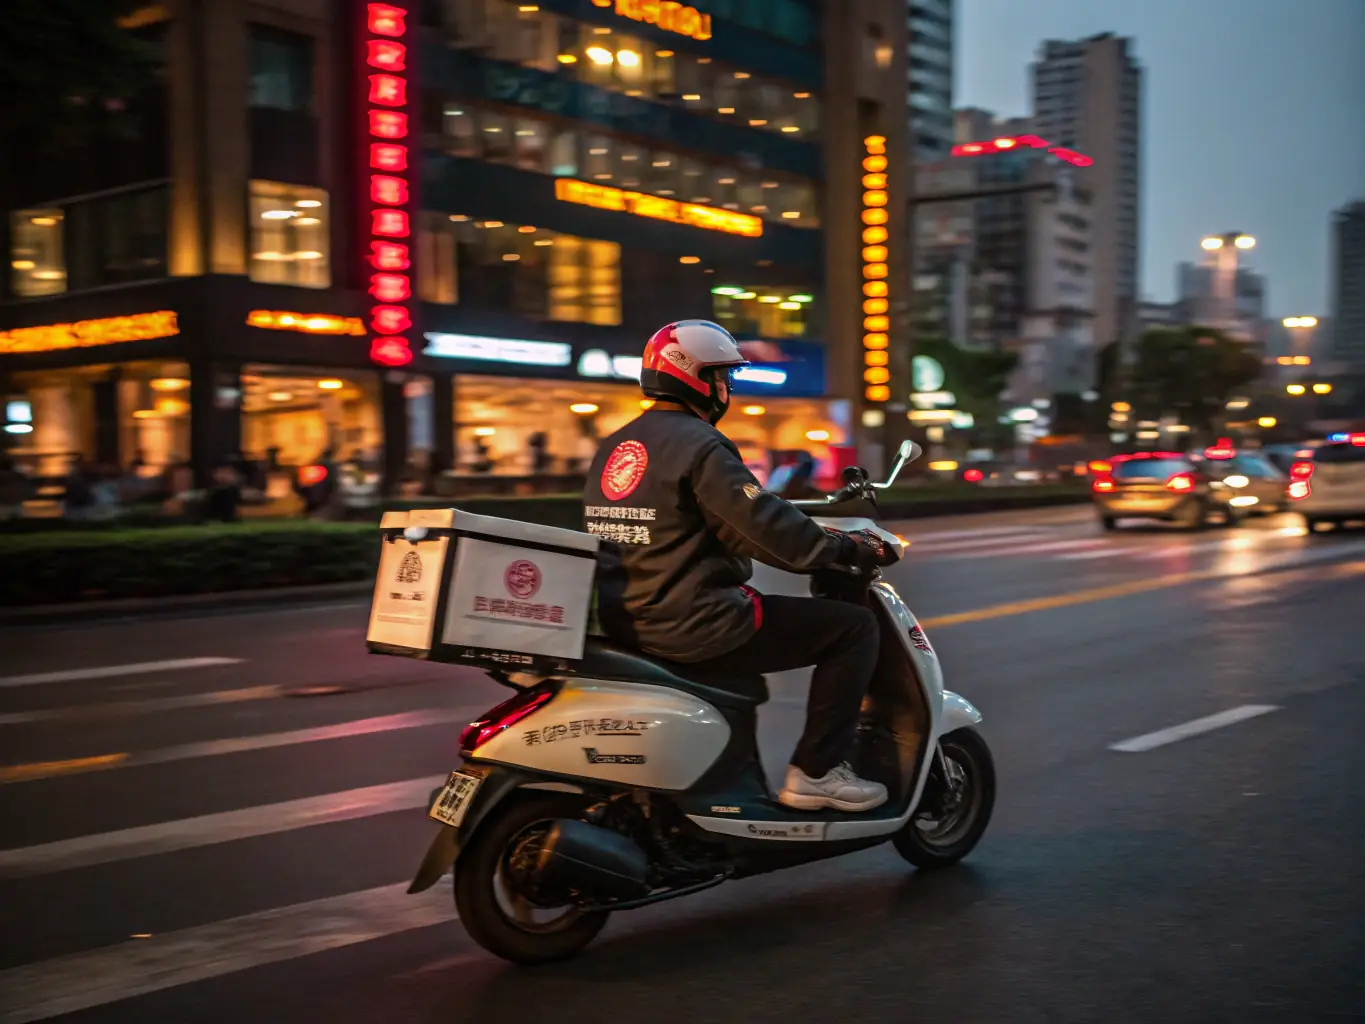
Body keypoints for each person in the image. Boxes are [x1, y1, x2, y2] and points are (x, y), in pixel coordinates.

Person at [584, 320, 890, 813]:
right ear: (696, 378)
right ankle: (817, 772)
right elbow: (760, 525)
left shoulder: (617, 445)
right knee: (854, 627)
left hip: (628, 615)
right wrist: (846, 548)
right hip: (694, 620)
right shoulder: (701, 444)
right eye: (722, 377)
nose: (727, 390)